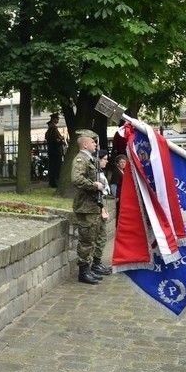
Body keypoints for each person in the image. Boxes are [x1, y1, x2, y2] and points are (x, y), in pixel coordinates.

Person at [71, 130, 105, 285]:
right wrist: (94, 185)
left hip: (91, 206)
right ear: (85, 144)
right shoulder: (81, 159)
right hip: (85, 207)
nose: (95, 144)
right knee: (86, 240)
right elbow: (76, 179)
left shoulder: (90, 159)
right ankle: (83, 272)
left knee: (91, 239)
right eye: (93, 142)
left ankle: (89, 268)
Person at [91, 149, 113, 277]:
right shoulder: (94, 173)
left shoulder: (100, 172)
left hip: (101, 204)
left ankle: (97, 262)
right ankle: (95, 263)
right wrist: (102, 209)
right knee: (100, 236)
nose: (106, 161)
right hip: (96, 206)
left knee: (102, 236)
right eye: (104, 158)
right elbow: (96, 194)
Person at [45, 113, 65, 187]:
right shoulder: (53, 127)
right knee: (55, 167)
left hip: (53, 150)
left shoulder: (51, 127)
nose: (58, 120)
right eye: (57, 118)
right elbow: (53, 139)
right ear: (53, 119)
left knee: (53, 166)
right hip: (55, 150)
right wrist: (61, 140)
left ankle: (52, 181)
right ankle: (55, 182)